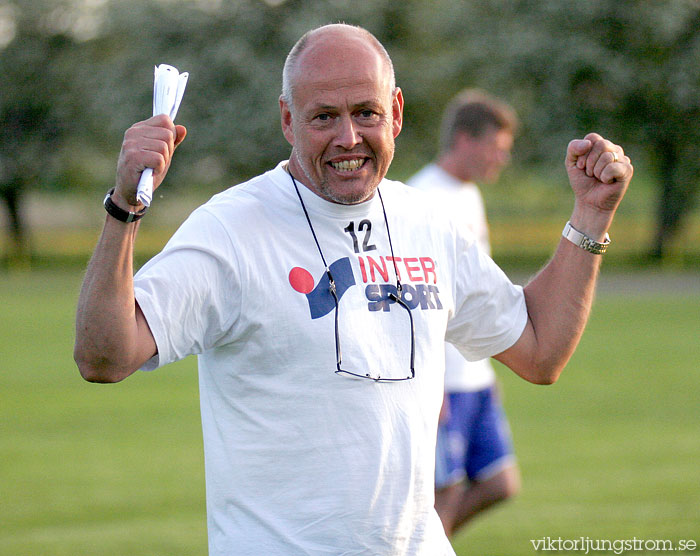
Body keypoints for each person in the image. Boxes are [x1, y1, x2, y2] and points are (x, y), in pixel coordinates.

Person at [74, 23, 633, 556]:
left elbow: (540, 349)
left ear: (395, 113)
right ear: (288, 121)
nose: (349, 138)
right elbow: (105, 355)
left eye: (366, 112)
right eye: (324, 117)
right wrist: (125, 207)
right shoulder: (231, 230)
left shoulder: (429, 222)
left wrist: (590, 216)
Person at [407, 89, 521, 537]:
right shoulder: (422, 199)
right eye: (496, 148)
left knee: (500, 484)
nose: (501, 159)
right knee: (443, 497)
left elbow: (472, 299)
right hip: (443, 385)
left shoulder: (468, 194)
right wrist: (428, 383)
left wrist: (489, 374)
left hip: (474, 379)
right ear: (464, 139)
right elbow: (410, 300)